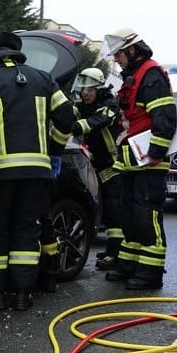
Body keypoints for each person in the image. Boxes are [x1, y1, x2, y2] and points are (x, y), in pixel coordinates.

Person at [0, 29, 75, 311]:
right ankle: (22, 293)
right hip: (37, 172)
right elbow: (67, 117)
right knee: (26, 230)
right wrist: (53, 151)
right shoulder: (43, 78)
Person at [102, 28, 177, 289]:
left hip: (149, 161)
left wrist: (156, 152)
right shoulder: (133, 76)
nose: (116, 60)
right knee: (130, 214)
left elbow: (164, 115)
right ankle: (129, 264)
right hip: (133, 159)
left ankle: (150, 273)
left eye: (119, 55)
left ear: (132, 50)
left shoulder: (151, 74)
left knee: (147, 214)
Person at [71, 67, 125, 271]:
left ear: (99, 90)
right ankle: (113, 251)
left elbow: (96, 122)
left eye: (89, 90)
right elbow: (69, 113)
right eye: (82, 90)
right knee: (103, 208)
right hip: (96, 165)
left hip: (113, 165)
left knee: (114, 210)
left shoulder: (110, 105)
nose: (85, 93)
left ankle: (115, 253)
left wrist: (74, 127)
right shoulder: (82, 105)